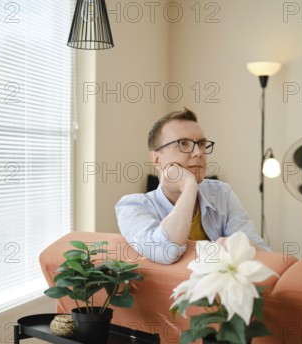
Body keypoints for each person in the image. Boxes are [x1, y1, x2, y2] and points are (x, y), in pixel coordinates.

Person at [115, 108, 269, 264]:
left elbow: (264, 254)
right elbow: (165, 251)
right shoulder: (132, 207)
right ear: (156, 159)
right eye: (183, 143)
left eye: (201, 144)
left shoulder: (221, 193)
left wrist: (248, 247)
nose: (198, 153)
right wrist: (189, 186)